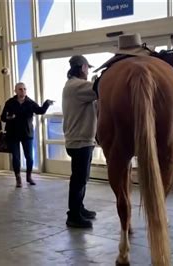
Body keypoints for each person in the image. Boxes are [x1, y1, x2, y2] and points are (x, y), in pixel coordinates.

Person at [62, 55, 98, 228]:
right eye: (87, 68)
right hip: (80, 141)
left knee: (81, 178)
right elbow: (100, 89)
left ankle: (79, 208)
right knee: (78, 179)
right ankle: (73, 215)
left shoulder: (72, 85)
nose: (88, 71)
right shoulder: (77, 86)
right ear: (83, 67)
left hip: (81, 140)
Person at [0, 82, 53, 187]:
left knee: (29, 157)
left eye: (24, 89)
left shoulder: (30, 102)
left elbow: (40, 111)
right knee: (16, 157)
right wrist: (9, 118)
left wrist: (46, 103)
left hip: (26, 133)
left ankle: (29, 177)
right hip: (13, 134)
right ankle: (18, 179)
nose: (23, 91)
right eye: (20, 89)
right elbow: (3, 117)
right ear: (15, 91)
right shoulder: (10, 102)